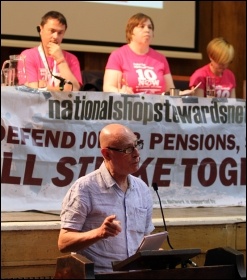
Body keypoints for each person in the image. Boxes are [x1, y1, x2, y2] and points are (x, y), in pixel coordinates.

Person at [58, 123, 155, 273]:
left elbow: (144, 239)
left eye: (137, 145)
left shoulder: (142, 189)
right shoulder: (84, 188)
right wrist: (99, 233)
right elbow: (63, 243)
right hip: (99, 275)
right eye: (128, 149)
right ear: (107, 154)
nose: (136, 154)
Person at [103, 13, 174, 94]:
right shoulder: (118, 55)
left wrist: (183, 94)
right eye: (142, 26)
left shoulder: (161, 58)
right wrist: (120, 92)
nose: (147, 30)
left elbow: (170, 92)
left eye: (150, 27)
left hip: (158, 106)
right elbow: (108, 87)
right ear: (131, 32)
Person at [21, 11, 82, 91]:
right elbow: (33, 90)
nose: (55, 36)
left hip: (63, 103)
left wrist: (61, 60)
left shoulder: (71, 58)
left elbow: (74, 90)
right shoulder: (27, 56)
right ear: (40, 30)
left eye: (60, 33)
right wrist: (62, 89)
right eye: (52, 31)